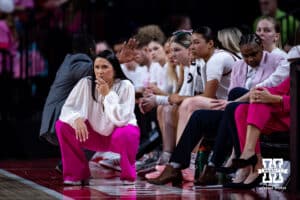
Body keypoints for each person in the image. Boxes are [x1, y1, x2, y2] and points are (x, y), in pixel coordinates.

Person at [146, 33, 285, 186]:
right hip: (234, 110)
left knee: (203, 104)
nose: (250, 59)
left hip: (257, 111)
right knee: (200, 116)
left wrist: (232, 102)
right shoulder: (236, 65)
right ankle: (176, 165)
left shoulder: (275, 60)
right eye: (246, 56)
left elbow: (263, 90)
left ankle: (210, 166)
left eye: (196, 42)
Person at [55, 50, 140, 185]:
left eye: (105, 67)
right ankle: (76, 174)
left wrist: (108, 95)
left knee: (128, 131)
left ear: (115, 69)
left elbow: (123, 119)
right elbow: (68, 108)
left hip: (116, 136)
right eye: (97, 67)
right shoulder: (86, 83)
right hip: (92, 135)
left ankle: (128, 174)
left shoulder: (126, 85)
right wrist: (76, 118)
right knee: (62, 125)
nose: (100, 71)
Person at [40, 33, 96, 146]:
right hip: (59, 120)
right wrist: (118, 60)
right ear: (91, 50)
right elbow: (96, 70)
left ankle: (64, 163)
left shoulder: (69, 61)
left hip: (55, 120)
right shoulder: (78, 62)